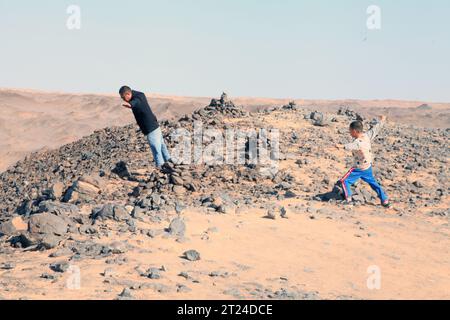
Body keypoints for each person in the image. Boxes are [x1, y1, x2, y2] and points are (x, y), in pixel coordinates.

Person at [336, 115, 391, 208]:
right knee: (374, 184)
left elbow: (351, 146)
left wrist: (340, 146)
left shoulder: (358, 142)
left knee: (344, 181)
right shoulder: (367, 136)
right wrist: (382, 121)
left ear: (354, 131)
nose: (349, 133)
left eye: (350, 131)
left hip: (359, 168)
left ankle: (348, 200)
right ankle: (385, 200)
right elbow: (375, 129)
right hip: (367, 167)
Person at [119, 86, 173, 171]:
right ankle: (171, 164)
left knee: (156, 150)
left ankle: (161, 169)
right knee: (162, 147)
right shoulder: (138, 94)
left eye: (123, 97)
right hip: (154, 126)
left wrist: (130, 105)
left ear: (128, 94)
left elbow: (136, 102)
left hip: (151, 129)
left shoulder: (138, 97)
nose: (123, 99)